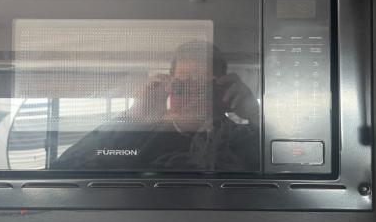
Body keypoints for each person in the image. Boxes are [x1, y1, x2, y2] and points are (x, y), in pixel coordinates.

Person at [51, 41, 259, 172]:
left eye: (204, 84)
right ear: (169, 85)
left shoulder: (241, 137)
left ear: (223, 88)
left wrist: (256, 115)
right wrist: (135, 115)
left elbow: (277, 168)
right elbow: (64, 170)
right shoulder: (138, 135)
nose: (192, 94)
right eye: (182, 84)